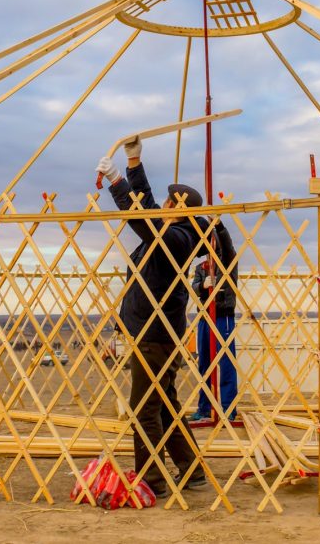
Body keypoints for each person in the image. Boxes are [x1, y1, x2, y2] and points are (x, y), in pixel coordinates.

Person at [96, 138, 208, 496]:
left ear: (178, 207)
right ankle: (192, 471)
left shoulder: (176, 238)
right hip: (155, 332)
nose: (163, 204)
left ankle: (152, 480)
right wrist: (133, 161)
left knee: (145, 408)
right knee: (166, 407)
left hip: (154, 334)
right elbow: (145, 202)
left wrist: (116, 183)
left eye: (168, 202)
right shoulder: (172, 230)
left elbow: (142, 216)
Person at [189, 221, 238, 422]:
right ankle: (204, 407)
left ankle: (228, 408)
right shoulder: (201, 266)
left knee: (226, 363)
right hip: (204, 317)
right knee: (205, 364)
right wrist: (202, 285)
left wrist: (219, 226)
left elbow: (227, 246)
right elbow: (194, 286)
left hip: (223, 315)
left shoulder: (228, 261)